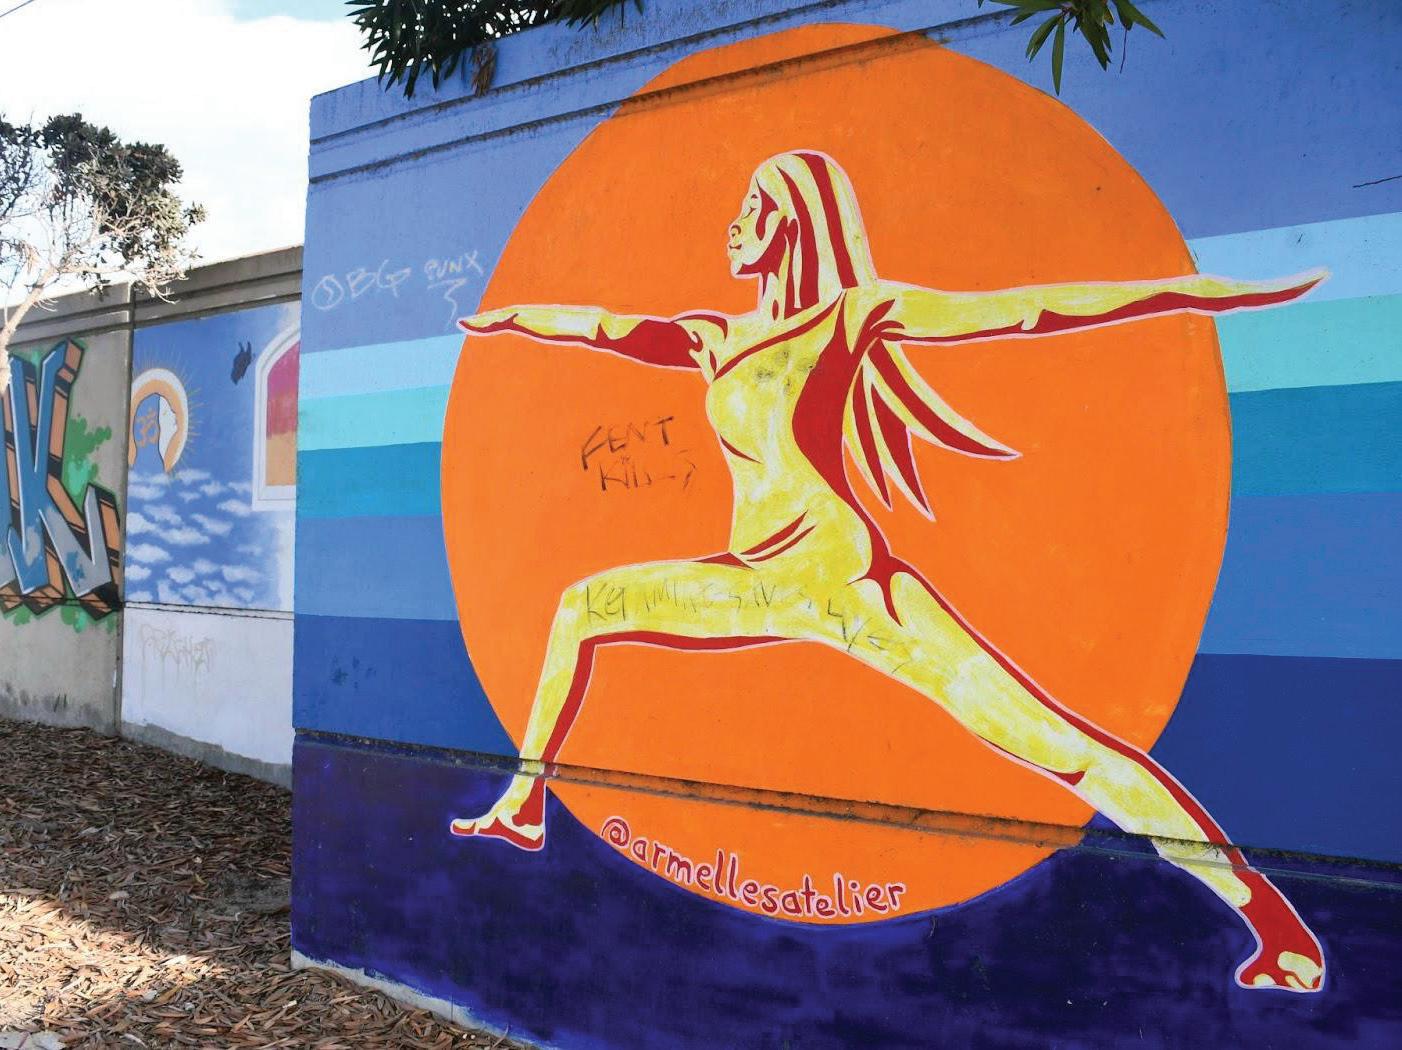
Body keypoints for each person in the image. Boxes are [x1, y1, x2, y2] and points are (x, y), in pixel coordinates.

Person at [452, 150, 1326, 992]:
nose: (734, 227)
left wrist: (1199, 294)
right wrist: (511, 318)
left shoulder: (847, 319)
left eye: (753, 209)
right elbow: (604, 328)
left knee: (1060, 748)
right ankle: (523, 805)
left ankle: (1273, 922)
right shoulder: (714, 337)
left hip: (845, 586)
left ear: (789, 224)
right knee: (584, 606)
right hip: (754, 583)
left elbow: (1032, 311)